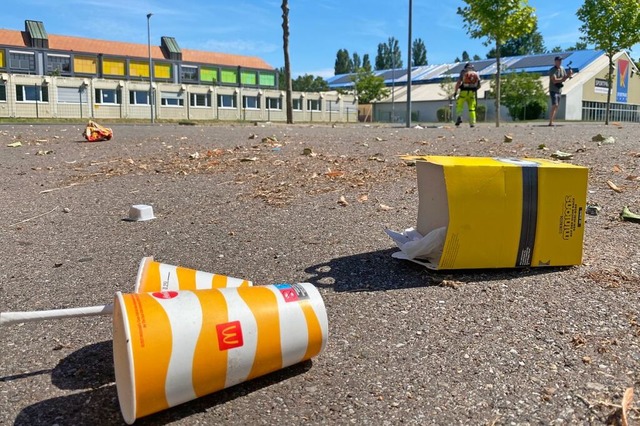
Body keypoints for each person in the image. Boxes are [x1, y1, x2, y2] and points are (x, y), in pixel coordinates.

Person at [454, 63, 481, 128]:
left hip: (463, 92)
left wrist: (455, 91)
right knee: (472, 108)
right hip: (472, 93)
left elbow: (458, 82)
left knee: (459, 105)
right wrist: (474, 89)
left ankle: (459, 116)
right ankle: (472, 123)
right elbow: (479, 85)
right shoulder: (476, 73)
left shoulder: (463, 72)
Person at [548, 56, 573, 126]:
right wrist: (562, 79)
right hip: (553, 89)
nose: (560, 62)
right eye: (558, 61)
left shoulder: (562, 69)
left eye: (561, 61)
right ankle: (550, 122)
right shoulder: (552, 70)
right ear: (555, 61)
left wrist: (569, 74)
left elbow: (565, 78)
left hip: (559, 90)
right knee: (554, 104)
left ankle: (552, 121)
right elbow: (554, 81)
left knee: (557, 106)